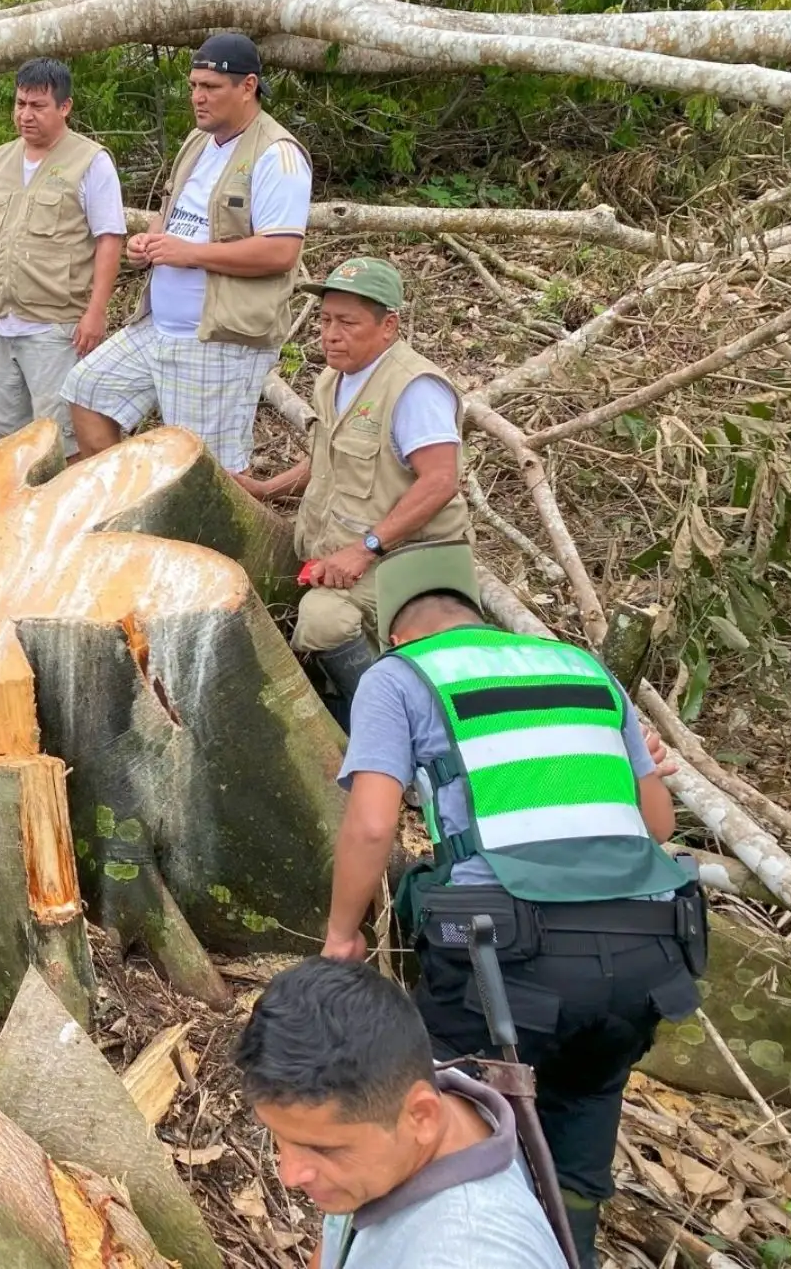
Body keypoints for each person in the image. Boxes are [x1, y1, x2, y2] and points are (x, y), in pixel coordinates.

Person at [323, 541, 708, 1268]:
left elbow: (372, 824)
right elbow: (656, 827)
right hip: (649, 957)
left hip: (507, 963)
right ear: (476, 614)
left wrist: (342, 935)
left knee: (447, 1138)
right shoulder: (583, 668)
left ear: (397, 631)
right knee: (579, 1142)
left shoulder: (400, 674)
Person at [63, 33, 311, 471]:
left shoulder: (277, 155)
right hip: (158, 326)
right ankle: (133, 503)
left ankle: (222, 519)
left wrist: (191, 253)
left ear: (248, 86)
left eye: (211, 87)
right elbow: (171, 212)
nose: (197, 97)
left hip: (219, 336)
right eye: (194, 85)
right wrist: (149, 242)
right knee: (88, 391)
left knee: (205, 465)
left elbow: (280, 252)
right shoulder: (198, 142)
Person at [236, 956, 567, 1268]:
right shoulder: (395, 1084)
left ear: (422, 1117)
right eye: (278, 1136)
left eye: (322, 1150)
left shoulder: (467, 1257)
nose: (289, 1175)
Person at [242, 257, 466, 713]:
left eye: (347, 322)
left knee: (323, 619)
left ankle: (396, 721)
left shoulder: (414, 389)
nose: (330, 334)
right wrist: (267, 490)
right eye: (325, 320)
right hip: (348, 548)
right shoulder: (334, 379)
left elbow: (442, 480)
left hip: (409, 557)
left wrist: (366, 548)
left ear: (389, 326)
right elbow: (328, 460)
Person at [0, 58, 127, 457]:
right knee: (0, 434)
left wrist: (96, 312)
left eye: (38, 106)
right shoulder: (1, 159)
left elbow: (109, 239)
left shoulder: (90, 162)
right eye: (20, 103)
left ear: (64, 106)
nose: (26, 115)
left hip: (55, 327)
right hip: (0, 322)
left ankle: (66, 497)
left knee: (60, 437)